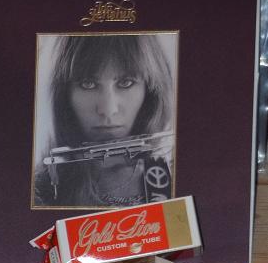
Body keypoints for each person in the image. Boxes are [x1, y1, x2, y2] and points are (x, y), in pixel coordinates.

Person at [33, 33, 175, 208]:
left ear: (151, 90)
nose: (108, 110)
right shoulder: (38, 191)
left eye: (126, 82)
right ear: (62, 95)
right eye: (88, 84)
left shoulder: (176, 171)